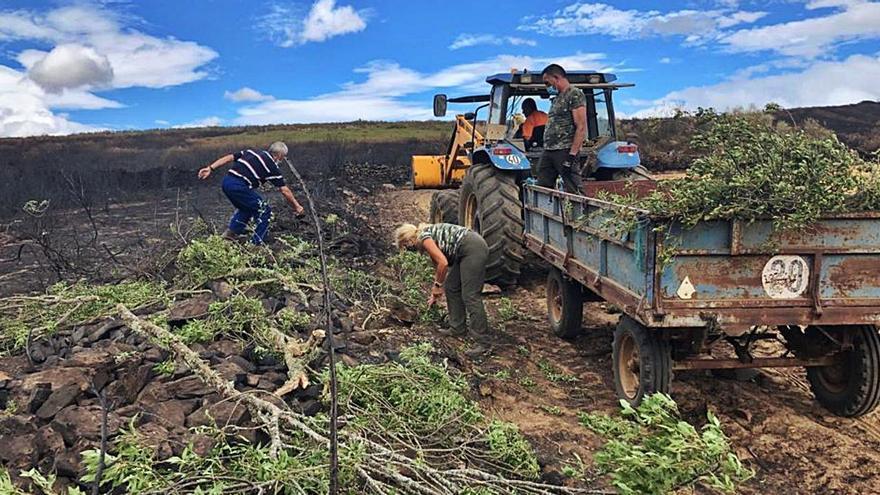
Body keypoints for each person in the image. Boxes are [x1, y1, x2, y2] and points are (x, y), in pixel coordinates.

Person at [394, 222, 491, 354]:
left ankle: (483, 343)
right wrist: (435, 292)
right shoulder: (427, 237)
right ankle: (457, 328)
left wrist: (438, 286)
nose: (407, 249)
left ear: (409, 240)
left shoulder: (424, 238)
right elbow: (438, 267)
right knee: (451, 287)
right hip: (465, 250)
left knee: (470, 295)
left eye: (405, 245)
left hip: (472, 248)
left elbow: (443, 263)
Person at [198, 142, 305, 245]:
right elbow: (284, 190)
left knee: (246, 209)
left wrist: (210, 168)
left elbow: (229, 157)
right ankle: (256, 244)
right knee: (264, 211)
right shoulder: (272, 167)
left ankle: (228, 237)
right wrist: (297, 207)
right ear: (279, 156)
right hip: (238, 187)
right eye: (283, 157)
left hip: (227, 182)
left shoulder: (252, 152)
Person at [537, 64, 587, 193]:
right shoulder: (557, 98)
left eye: (547, 83)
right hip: (549, 150)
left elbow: (581, 127)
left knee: (574, 189)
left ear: (556, 77)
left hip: (564, 150)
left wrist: (571, 156)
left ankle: (581, 212)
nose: (547, 87)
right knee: (542, 187)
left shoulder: (574, 94)